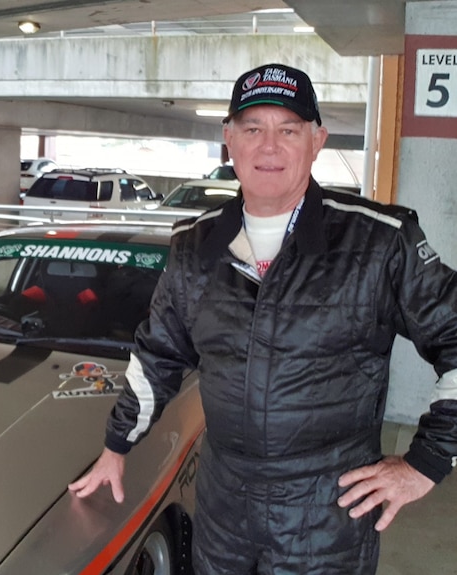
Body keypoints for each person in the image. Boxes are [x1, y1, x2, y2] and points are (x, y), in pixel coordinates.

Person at [68, 63, 457, 574]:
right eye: (252, 129)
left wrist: (426, 463)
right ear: (229, 140)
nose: (269, 147)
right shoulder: (196, 245)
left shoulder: (379, 241)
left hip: (327, 517)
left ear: (316, 141)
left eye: (288, 130)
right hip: (223, 508)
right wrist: (116, 445)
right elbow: (159, 353)